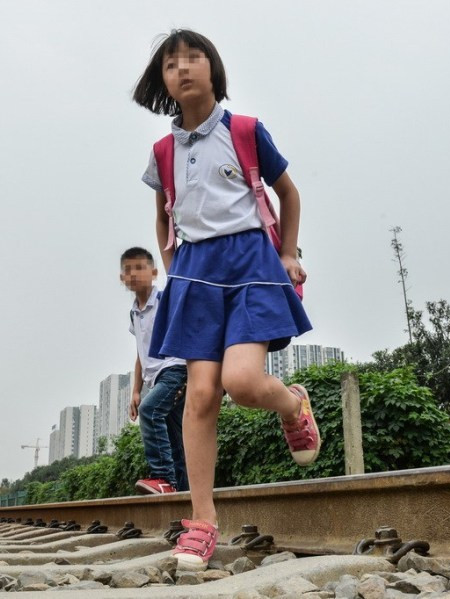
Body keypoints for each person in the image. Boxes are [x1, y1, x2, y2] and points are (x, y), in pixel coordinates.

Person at [133, 29, 318, 569]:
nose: (183, 68)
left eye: (194, 58)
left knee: (242, 382)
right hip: (195, 273)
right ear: (163, 82)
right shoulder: (163, 152)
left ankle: (293, 403)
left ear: (213, 69)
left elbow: (288, 193)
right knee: (200, 395)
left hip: (250, 264)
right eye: (171, 64)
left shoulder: (245, 130)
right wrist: (174, 268)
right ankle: (203, 521)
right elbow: (164, 215)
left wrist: (287, 253)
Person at [121, 247, 189, 494]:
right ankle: (185, 494)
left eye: (140, 268)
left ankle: (163, 478)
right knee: (176, 439)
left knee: (150, 411)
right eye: (128, 270)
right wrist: (136, 391)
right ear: (122, 278)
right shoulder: (134, 314)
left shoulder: (164, 300)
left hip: (176, 368)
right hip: (157, 378)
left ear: (154, 272)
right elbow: (141, 353)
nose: (134, 274)